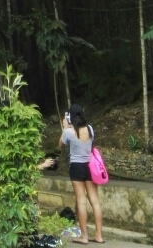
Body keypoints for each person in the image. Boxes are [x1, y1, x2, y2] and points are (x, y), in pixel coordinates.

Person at [60, 104, 104, 245]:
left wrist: (65, 127)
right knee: (95, 202)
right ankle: (99, 235)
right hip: (90, 167)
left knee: (81, 201)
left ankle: (84, 236)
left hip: (76, 167)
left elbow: (60, 144)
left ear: (70, 117)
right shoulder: (90, 129)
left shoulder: (69, 132)